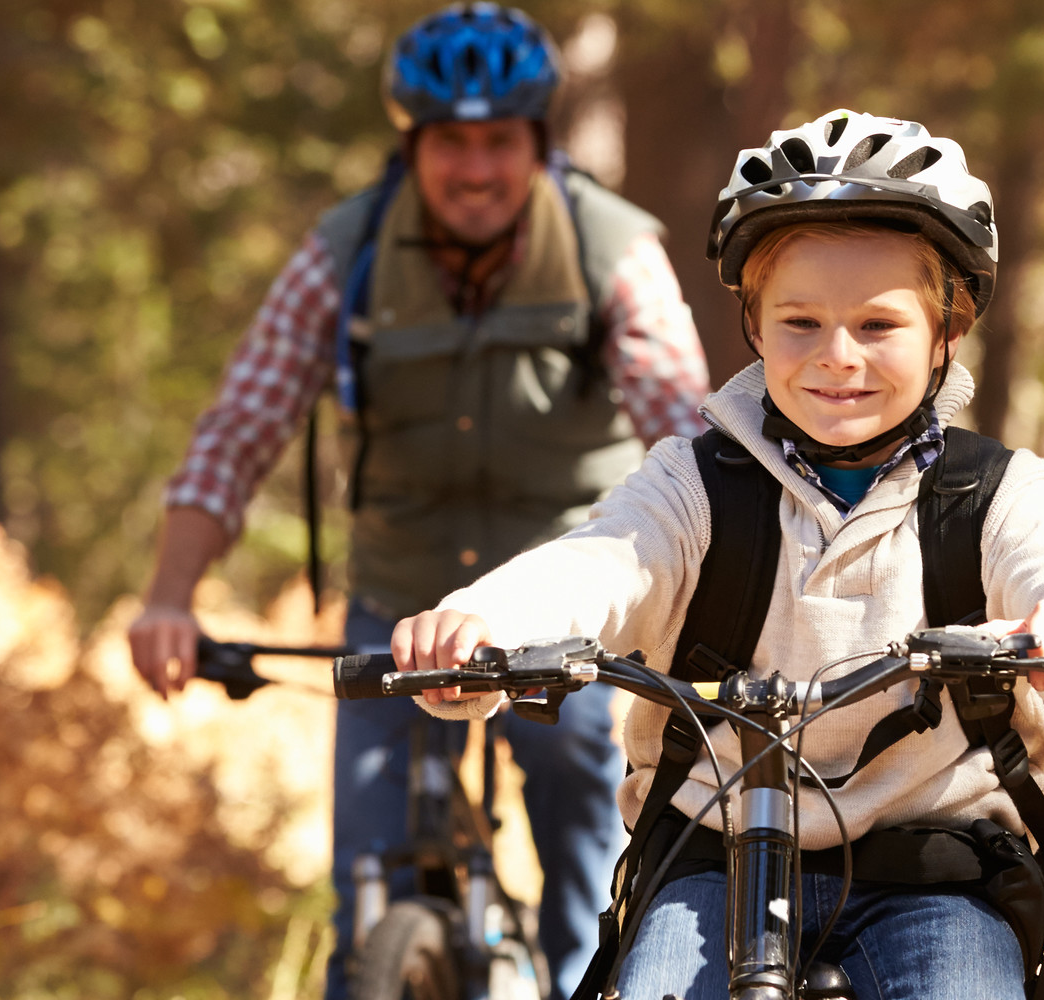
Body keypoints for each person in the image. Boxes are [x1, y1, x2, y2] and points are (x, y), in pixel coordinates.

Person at [390, 109, 1044, 1000]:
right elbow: (600, 561)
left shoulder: (996, 494)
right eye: (800, 323)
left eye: (878, 326)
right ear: (752, 324)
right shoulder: (694, 482)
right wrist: (483, 623)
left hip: (937, 867)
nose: (838, 358)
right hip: (711, 860)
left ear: (948, 330)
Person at [122, 5, 709, 996]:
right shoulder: (345, 253)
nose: (474, 169)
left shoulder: (612, 247)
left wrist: (715, 595)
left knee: (592, 859)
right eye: (450, 143)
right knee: (367, 901)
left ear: (538, 143)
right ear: (412, 145)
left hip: (555, 606)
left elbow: (687, 431)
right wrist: (170, 593)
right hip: (394, 600)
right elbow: (240, 426)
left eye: (498, 142)